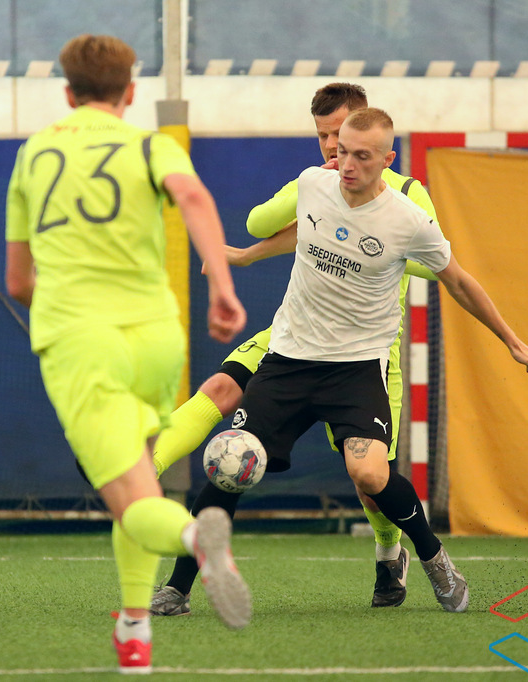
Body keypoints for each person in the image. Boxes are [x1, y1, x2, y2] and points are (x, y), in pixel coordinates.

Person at [4, 34, 251, 674]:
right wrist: (223, 287)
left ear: (68, 93)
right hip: (157, 337)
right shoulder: (151, 144)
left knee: (133, 502)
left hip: (85, 343)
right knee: (140, 476)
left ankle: (196, 537)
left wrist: (68, 311)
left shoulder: (34, 153)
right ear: (131, 91)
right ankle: (135, 628)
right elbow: (193, 198)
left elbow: (19, 282)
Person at [150, 83, 438, 615]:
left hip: (366, 355)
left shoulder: (406, 193)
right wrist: (249, 253)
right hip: (293, 337)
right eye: (323, 136)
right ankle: (145, 474)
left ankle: (388, 552)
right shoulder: (318, 182)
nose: (331, 146)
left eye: (340, 135)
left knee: (371, 483)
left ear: (368, 132)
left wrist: (377, 243)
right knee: (223, 397)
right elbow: (268, 224)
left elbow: (436, 262)